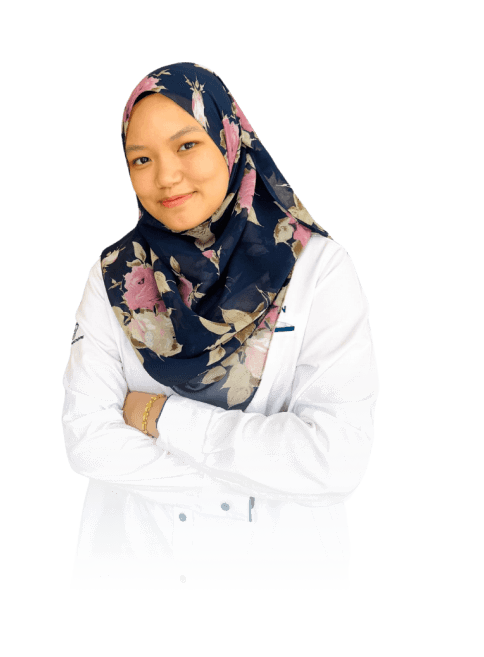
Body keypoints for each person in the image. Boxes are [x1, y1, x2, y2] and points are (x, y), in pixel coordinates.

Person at [61, 62, 380, 590]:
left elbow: (334, 461)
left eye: (187, 145)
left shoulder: (319, 269)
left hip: (282, 578)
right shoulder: (115, 275)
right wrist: (262, 477)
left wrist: (160, 417)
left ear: (230, 140)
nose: (166, 177)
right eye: (141, 159)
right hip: (133, 568)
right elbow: (87, 441)